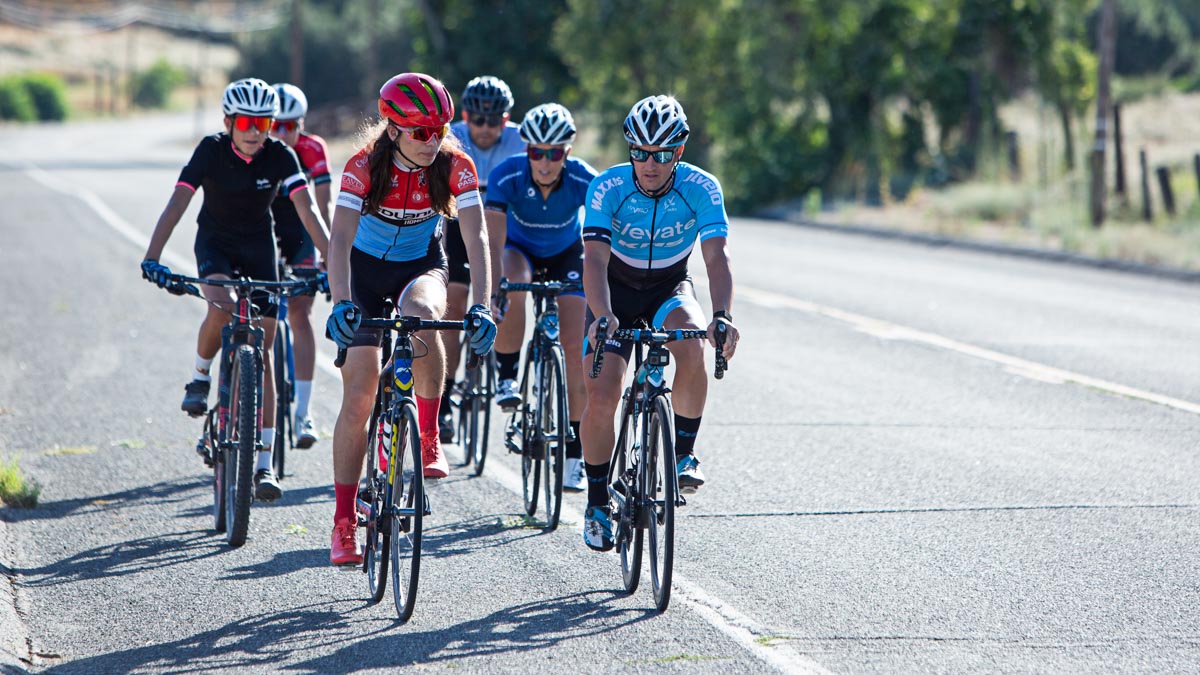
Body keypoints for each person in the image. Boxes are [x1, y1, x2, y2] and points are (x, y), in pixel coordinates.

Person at [324, 72, 496, 567]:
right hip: (363, 275)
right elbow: (338, 241)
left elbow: (478, 240)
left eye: (439, 129)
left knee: (422, 317)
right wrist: (340, 302)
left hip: (421, 266)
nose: (432, 140)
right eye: (420, 131)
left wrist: (481, 303)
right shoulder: (363, 167)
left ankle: (427, 431)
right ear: (393, 128)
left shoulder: (453, 164)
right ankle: (343, 520)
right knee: (358, 396)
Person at [140, 78, 330, 503]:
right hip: (216, 244)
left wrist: (334, 266)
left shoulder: (280, 154)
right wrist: (153, 257)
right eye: (245, 122)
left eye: (262, 122)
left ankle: (264, 465)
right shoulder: (209, 149)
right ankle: (199, 376)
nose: (254, 131)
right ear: (228, 121)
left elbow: (309, 210)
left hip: (259, 246)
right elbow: (177, 203)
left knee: (262, 344)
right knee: (222, 304)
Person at [578, 95, 741, 552]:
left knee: (692, 341)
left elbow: (716, 256)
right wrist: (603, 314)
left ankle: (683, 452)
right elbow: (593, 259)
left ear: (679, 152)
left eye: (663, 154)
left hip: (668, 286)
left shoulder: (702, 187)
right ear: (629, 148)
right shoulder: (607, 188)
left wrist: (723, 316)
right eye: (641, 153)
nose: (650, 164)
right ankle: (595, 502)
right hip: (612, 292)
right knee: (604, 391)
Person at [485, 103, 597, 493]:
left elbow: (604, 239)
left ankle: (574, 456)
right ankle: (507, 375)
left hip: (567, 253)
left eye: (555, 153)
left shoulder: (584, 179)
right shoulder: (507, 174)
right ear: (527, 149)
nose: (545, 162)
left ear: (568, 151)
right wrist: (495, 287)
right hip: (519, 250)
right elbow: (493, 239)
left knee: (574, 348)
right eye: (537, 152)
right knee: (513, 282)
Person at [440, 75, 526, 442]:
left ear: (506, 119)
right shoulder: (449, 138)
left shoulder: (523, 139)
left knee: (503, 292)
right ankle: (442, 397)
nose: (486, 128)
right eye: (479, 119)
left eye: (495, 121)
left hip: (503, 229)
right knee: (453, 306)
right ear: (465, 116)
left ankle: (507, 374)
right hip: (459, 229)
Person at [269, 82, 332, 449]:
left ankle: (304, 411)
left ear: (301, 126)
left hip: (300, 231)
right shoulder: (257, 150)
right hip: (262, 228)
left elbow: (322, 207)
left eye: (289, 127)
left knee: (300, 314)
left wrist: (326, 256)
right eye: (274, 126)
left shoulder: (312, 149)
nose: (280, 134)